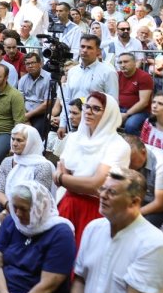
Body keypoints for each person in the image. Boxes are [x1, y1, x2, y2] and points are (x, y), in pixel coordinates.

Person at [0, 181, 76, 293]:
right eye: (15, 207)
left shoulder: (61, 233)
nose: (18, 214)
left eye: (24, 209)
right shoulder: (11, 221)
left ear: (39, 208)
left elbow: (48, 285)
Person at [55, 91, 131, 247]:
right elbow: (63, 171)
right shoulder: (74, 138)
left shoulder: (118, 145)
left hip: (97, 210)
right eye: (87, 107)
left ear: (108, 114)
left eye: (96, 109)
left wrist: (63, 179)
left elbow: (96, 184)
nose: (88, 112)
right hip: (67, 204)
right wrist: (68, 180)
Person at [0, 123, 54, 211]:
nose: (14, 143)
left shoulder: (42, 166)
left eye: (19, 140)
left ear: (30, 143)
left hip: (30, 213)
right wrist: (9, 206)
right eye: (13, 139)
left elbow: (38, 199)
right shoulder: (7, 162)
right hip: (6, 207)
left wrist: (14, 211)